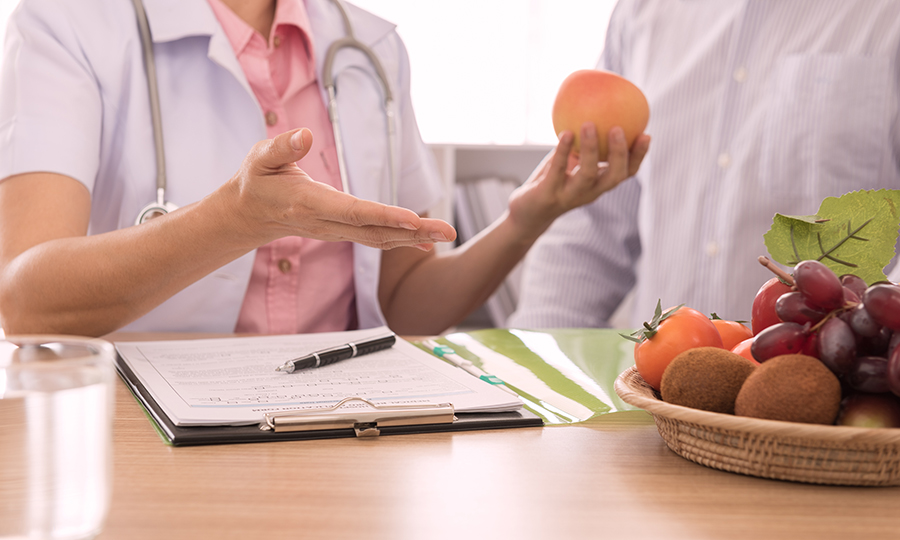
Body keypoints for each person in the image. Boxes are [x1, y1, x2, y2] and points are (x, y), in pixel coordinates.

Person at [0, 0, 649, 337]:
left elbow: (404, 305)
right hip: (139, 432)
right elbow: (26, 300)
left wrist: (524, 222)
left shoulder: (371, 47)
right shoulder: (67, 24)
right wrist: (232, 222)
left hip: (340, 430)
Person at [509, 0, 900, 330]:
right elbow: (594, 227)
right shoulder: (643, 10)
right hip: (660, 400)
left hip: (835, 403)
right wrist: (536, 375)